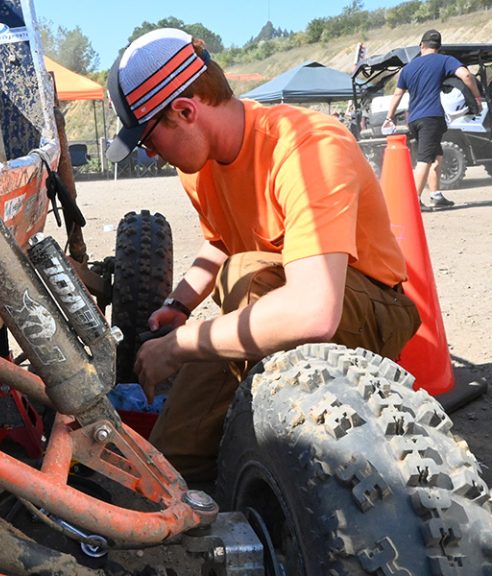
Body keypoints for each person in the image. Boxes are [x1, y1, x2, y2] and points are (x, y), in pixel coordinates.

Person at [106, 28, 421, 482]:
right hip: (269, 301)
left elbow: (314, 311)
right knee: (169, 463)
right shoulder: (201, 166)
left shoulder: (307, 146)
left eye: (149, 141)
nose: (153, 156)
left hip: (367, 306)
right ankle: (220, 448)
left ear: (185, 110)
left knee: (248, 276)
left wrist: (176, 349)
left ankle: (262, 445)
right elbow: (219, 240)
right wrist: (178, 307)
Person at [383, 29, 482, 210]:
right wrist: (476, 98)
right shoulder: (445, 60)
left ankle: (436, 195)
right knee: (425, 159)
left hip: (414, 119)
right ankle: (413, 201)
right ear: (439, 46)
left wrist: (389, 117)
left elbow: (398, 94)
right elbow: (466, 75)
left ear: (422, 45)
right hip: (431, 118)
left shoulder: (408, 68)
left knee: (437, 156)